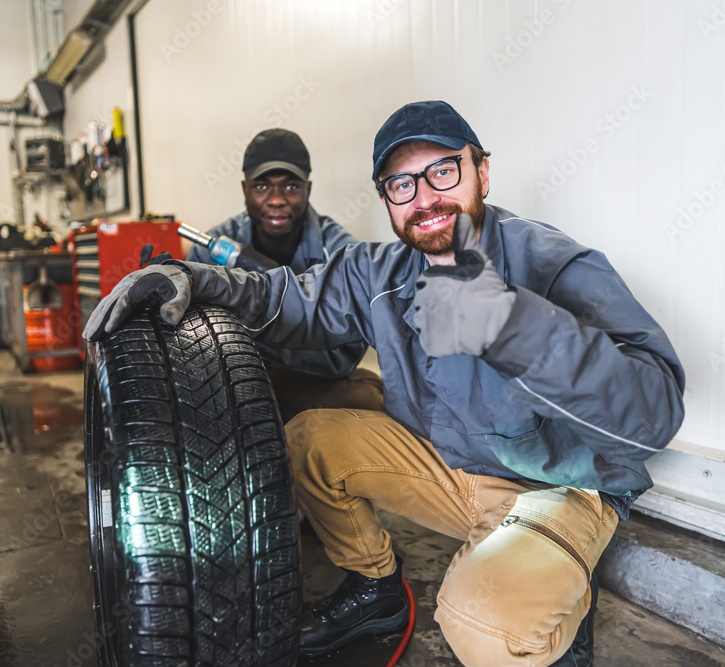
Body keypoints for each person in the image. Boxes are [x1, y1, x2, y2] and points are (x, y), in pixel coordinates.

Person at [84, 101, 686, 667]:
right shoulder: (378, 271)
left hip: (558, 486)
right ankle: (376, 587)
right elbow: (282, 297)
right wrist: (190, 276)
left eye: (443, 171)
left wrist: (514, 325)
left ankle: (566, 600)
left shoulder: (551, 261)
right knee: (307, 441)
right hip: (452, 470)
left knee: (485, 628)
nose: (425, 198)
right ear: (387, 198)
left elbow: (653, 409)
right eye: (403, 184)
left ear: (481, 169)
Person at [187, 128, 384, 421]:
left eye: (291, 187)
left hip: (309, 384)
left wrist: (248, 323)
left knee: (366, 398)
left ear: (309, 188)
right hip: (230, 383)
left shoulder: (341, 253)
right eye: (262, 186)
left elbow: (339, 359)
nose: (276, 199)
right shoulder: (210, 250)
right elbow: (197, 347)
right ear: (245, 189)